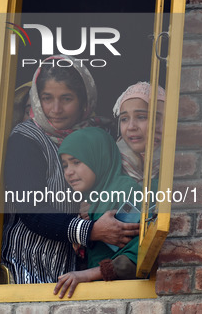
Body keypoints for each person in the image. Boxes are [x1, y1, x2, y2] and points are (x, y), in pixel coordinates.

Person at [0, 55, 140, 284]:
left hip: (70, 273)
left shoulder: (94, 139)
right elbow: (30, 207)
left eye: (66, 98)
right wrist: (90, 230)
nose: (56, 109)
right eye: (47, 98)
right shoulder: (25, 138)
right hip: (25, 267)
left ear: (84, 101)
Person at [54, 127, 140, 298]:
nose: (69, 172)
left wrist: (86, 274)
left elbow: (138, 253)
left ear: (99, 157)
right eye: (65, 165)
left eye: (76, 162)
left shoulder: (127, 191)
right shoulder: (88, 203)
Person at [112, 81, 166, 183]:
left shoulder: (176, 161)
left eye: (141, 117)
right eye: (124, 119)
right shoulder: (110, 163)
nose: (131, 127)